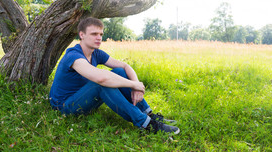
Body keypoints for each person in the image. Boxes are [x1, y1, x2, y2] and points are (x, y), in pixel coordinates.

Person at [49, 17, 180, 134]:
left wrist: (137, 87)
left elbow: (125, 66)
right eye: (94, 34)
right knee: (101, 84)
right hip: (65, 107)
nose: (99, 38)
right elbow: (101, 78)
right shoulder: (73, 56)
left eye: (101, 34)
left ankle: (148, 114)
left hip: (82, 98)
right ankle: (146, 124)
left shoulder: (96, 53)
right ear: (81, 35)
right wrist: (134, 84)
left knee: (119, 71)